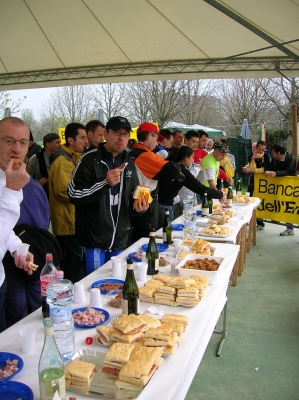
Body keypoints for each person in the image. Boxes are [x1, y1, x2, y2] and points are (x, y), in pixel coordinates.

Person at [68, 116, 148, 268]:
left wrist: (139, 208)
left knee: (115, 286)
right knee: (94, 286)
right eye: (116, 132)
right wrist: (104, 182)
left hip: (119, 240)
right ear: (105, 134)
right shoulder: (89, 160)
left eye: (125, 134)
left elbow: (132, 199)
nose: (121, 138)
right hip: (94, 240)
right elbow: (73, 194)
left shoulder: (129, 164)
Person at [0, 117, 34, 332]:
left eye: (23, 142)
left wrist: (15, 247)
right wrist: (12, 191)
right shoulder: (12, 182)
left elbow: (5, 226)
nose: (16, 148)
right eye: (9, 140)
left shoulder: (9, 175)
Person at [4, 179, 50, 327]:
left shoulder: (21, 187)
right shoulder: (35, 187)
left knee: (17, 307)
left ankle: (22, 336)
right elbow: (45, 218)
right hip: (34, 249)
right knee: (36, 298)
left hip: (14, 254)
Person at [129, 122, 181, 241]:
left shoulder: (131, 153)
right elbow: (173, 170)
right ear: (149, 137)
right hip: (146, 203)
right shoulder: (146, 156)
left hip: (136, 202)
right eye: (156, 138)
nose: (157, 143)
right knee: (147, 240)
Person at [49, 123, 88, 283]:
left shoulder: (74, 157)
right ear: (71, 140)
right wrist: (88, 194)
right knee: (74, 264)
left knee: (73, 262)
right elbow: (63, 190)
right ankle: (76, 297)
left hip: (74, 218)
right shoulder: (62, 160)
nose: (86, 142)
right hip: (67, 221)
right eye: (82, 138)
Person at [158, 146, 223, 227]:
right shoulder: (180, 170)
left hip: (160, 203)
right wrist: (219, 194)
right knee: (165, 232)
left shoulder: (171, 164)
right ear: (186, 158)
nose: (193, 161)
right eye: (192, 158)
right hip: (165, 205)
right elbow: (199, 187)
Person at [265, 144, 297, 236]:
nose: (271, 154)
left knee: (288, 206)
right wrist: (267, 171)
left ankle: (290, 228)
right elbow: (270, 167)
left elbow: (288, 171)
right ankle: (276, 218)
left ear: (278, 153)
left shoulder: (291, 159)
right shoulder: (275, 159)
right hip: (277, 186)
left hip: (289, 187)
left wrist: (276, 173)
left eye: (273, 152)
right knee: (277, 203)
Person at [243, 140, 270, 230]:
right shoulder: (251, 156)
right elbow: (251, 167)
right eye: (259, 149)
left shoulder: (266, 156)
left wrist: (252, 170)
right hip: (254, 180)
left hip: (264, 182)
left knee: (260, 200)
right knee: (250, 198)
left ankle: (260, 223)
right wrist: (253, 159)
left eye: (263, 150)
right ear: (256, 148)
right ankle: (250, 219)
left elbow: (263, 169)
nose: (261, 151)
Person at [28, 133, 61, 198]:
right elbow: (27, 178)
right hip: (41, 196)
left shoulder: (61, 157)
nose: (60, 145)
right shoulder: (35, 159)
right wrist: (38, 182)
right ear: (48, 144)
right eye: (57, 143)